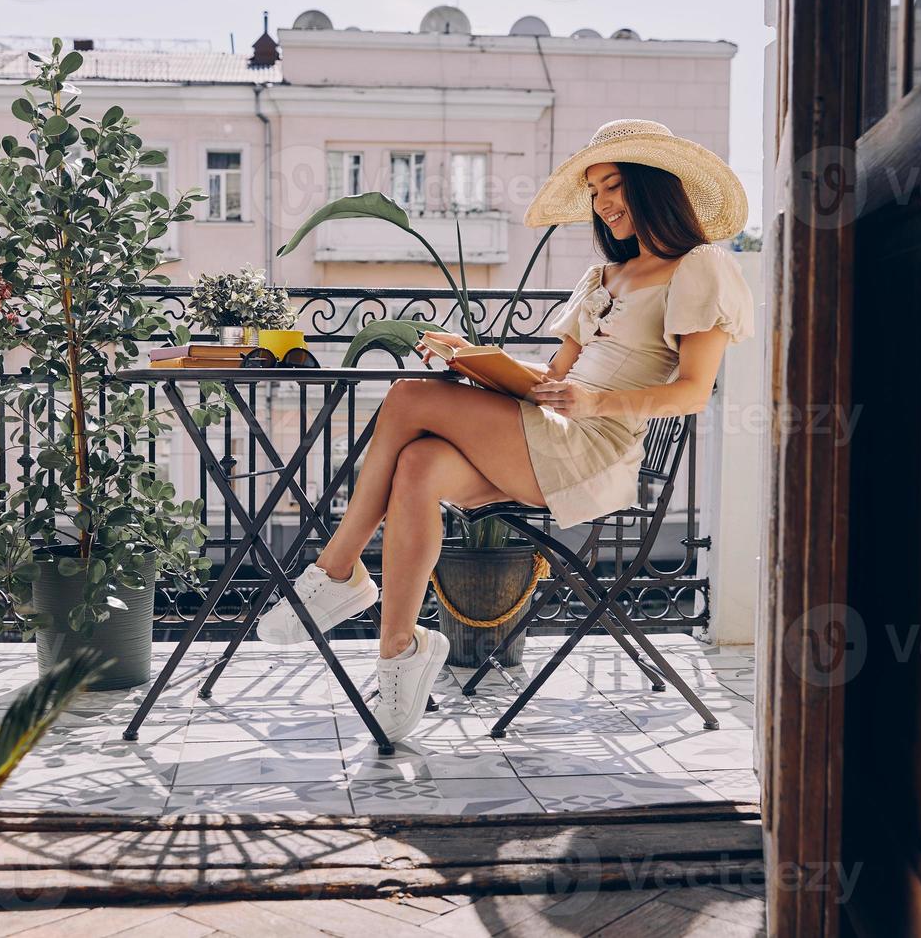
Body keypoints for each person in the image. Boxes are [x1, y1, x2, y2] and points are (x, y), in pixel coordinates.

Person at [256, 119, 756, 742]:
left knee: (411, 397)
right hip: (548, 431)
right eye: (595, 189)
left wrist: (593, 401)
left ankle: (337, 573)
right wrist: (474, 356)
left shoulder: (698, 268)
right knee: (418, 464)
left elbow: (692, 392)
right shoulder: (600, 280)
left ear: (654, 187)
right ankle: (400, 652)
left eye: (614, 185)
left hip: (595, 451)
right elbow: (550, 378)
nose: (602, 202)